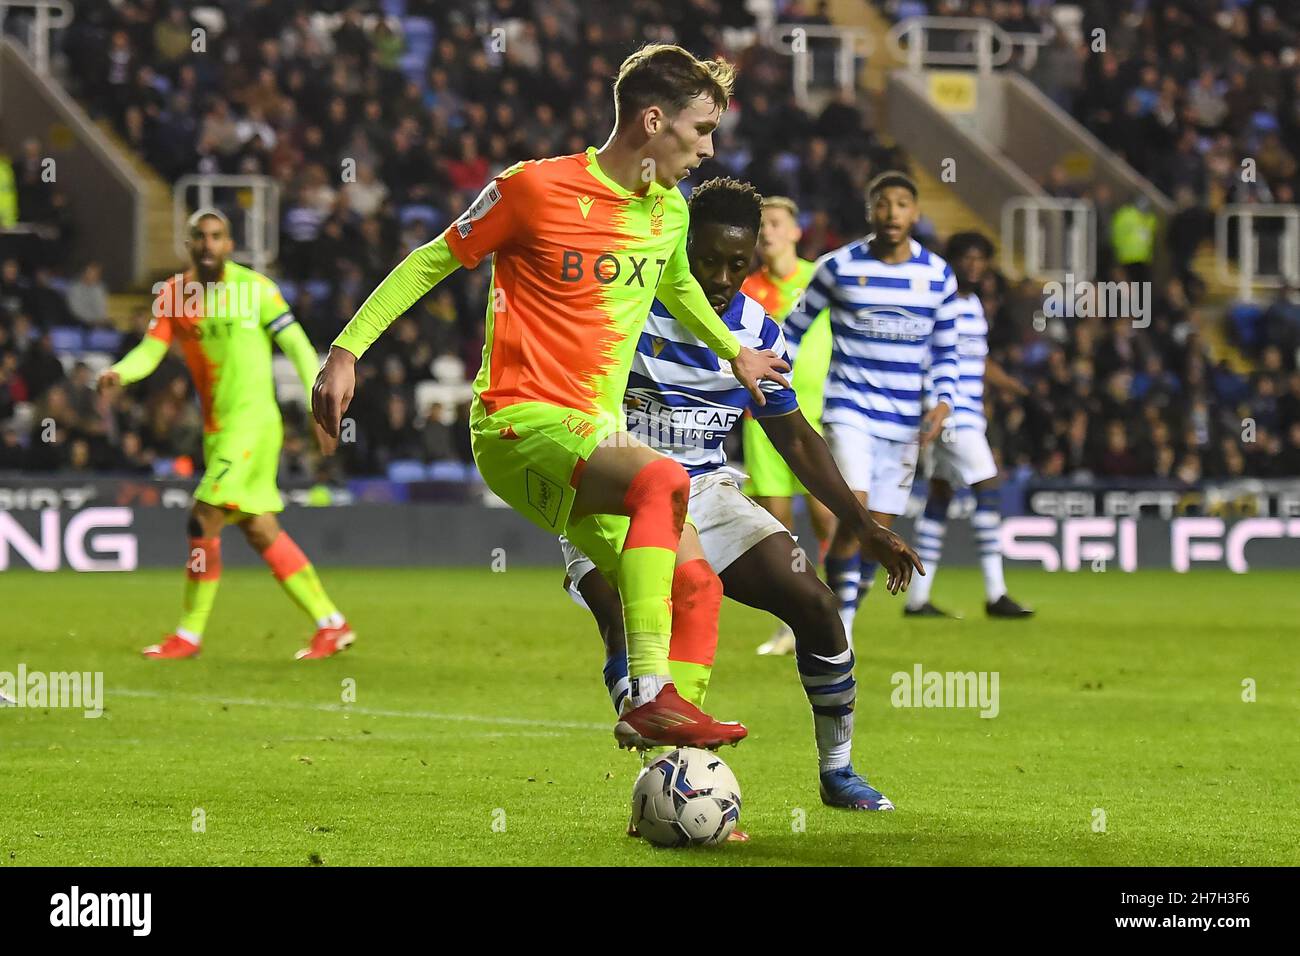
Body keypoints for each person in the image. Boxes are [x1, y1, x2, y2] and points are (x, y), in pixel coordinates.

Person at [311, 45, 789, 750]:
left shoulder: (669, 213)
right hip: (518, 421)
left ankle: (676, 779)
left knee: (696, 587)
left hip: (593, 438)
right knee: (662, 479)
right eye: (701, 129)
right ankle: (652, 693)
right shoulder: (531, 189)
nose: (710, 148)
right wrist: (347, 350)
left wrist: (734, 351)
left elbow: (676, 289)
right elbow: (433, 259)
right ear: (653, 121)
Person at [560, 178, 920, 821]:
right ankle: (662, 764)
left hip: (705, 491)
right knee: (622, 612)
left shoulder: (759, 332)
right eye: (708, 261)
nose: (724, 277)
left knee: (814, 602)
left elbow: (796, 439)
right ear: (681, 247)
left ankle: (837, 771)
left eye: (738, 264)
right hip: (615, 490)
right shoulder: (628, 309)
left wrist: (863, 525)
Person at [99, 209, 352, 660]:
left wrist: (319, 401)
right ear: (189, 244)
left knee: (203, 516)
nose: (208, 244)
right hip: (219, 432)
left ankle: (189, 635)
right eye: (200, 237)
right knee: (258, 528)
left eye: (217, 236)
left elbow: (294, 343)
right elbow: (151, 350)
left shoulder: (256, 290)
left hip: (254, 423)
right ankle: (331, 623)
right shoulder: (174, 296)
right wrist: (119, 373)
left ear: (229, 244)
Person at [783, 171, 957, 638]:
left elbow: (945, 349)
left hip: (906, 424)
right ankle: (840, 631)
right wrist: (777, 380)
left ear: (916, 214)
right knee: (854, 513)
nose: (892, 213)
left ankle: (845, 620)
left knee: (877, 527)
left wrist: (943, 401)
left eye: (902, 204)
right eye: (883, 203)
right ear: (870, 211)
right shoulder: (837, 267)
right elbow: (794, 329)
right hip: (850, 410)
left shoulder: (937, 275)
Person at [904, 232, 1034, 618]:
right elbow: (925, 355)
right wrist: (931, 404)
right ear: (953, 260)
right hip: (948, 412)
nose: (975, 265)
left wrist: (1012, 386)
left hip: (970, 410)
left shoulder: (974, 304)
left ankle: (918, 599)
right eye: (967, 258)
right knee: (987, 484)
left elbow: (977, 361)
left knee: (941, 495)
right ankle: (996, 593)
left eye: (981, 259)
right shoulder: (938, 301)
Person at [738, 196, 836, 656]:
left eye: (776, 224)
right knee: (777, 527)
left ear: (797, 232)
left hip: (821, 412)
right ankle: (790, 626)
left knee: (827, 517)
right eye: (761, 227)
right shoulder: (745, 288)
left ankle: (836, 613)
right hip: (764, 414)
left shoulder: (821, 279)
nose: (769, 233)